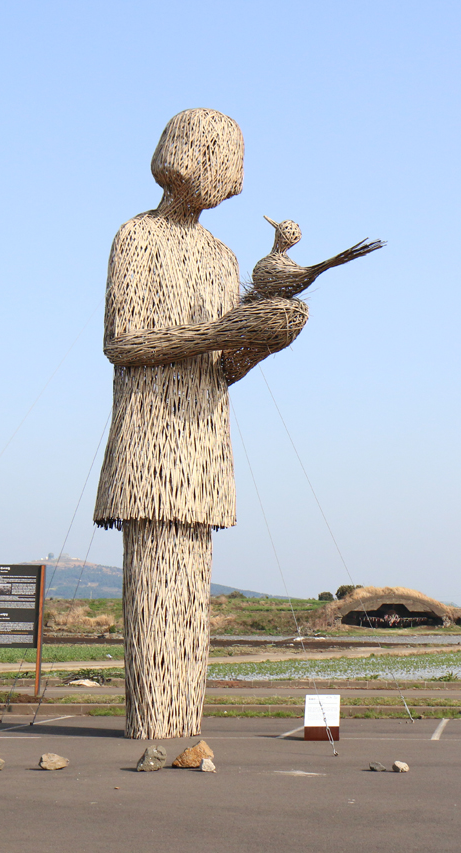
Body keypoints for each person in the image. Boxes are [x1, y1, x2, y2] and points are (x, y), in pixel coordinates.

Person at [93, 109, 308, 739]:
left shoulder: (222, 255)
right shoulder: (137, 238)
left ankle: (182, 726)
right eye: (230, 164)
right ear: (192, 156)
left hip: (202, 447)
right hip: (151, 439)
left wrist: (264, 340)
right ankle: (155, 726)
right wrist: (230, 329)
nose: (238, 185)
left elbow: (221, 367)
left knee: (190, 610)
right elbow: (123, 343)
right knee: (157, 599)